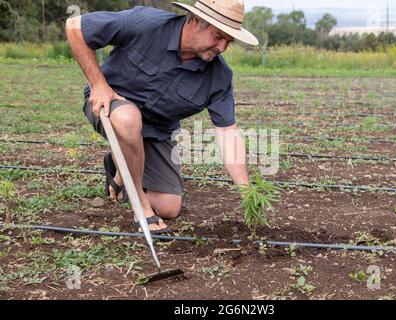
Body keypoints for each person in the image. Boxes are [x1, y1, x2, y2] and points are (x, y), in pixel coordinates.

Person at [65, 0, 259, 232]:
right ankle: (141, 207)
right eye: (218, 36)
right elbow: (75, 26)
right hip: (110, 106)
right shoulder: (145, 24)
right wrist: (98, 84)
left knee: (168, 207)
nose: (222, 47)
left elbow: (228, 134)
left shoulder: (219, 77)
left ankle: (119, 164)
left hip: (156, 130)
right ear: (195, 21)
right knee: (128, 119)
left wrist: (247, 193)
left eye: (229, 41)